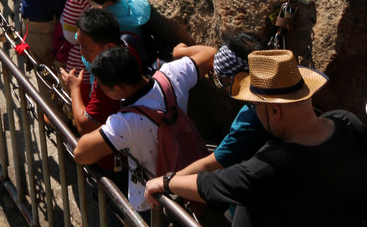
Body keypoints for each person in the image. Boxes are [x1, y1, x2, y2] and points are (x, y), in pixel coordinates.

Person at [144, 49, 367, 226]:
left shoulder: (270, 167)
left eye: (256, 106)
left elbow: (211, 184)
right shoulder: (347, 122)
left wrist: (164, 182)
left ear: (274, 111)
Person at [74, 44, 215, 216]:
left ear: (119, 89)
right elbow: (210, 53)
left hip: (151, 200)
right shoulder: (172, 74)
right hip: (187, 182)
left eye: (104, 87)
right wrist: (180, 52)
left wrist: (75, 89)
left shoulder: (126, 123)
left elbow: (81, 153)